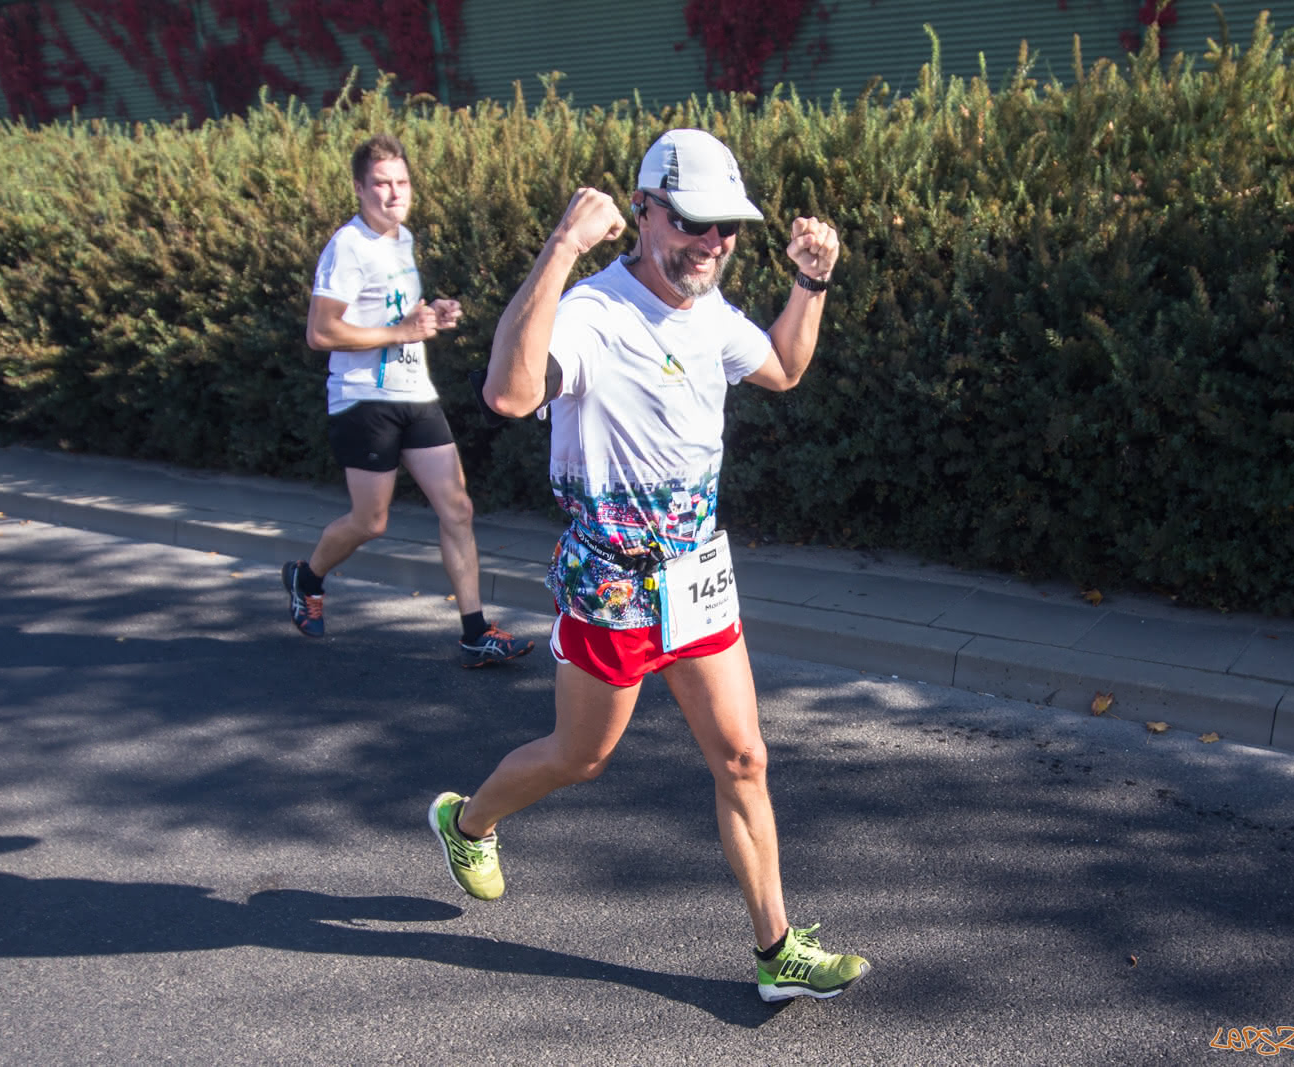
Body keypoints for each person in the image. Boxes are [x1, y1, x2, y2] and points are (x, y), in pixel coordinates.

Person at [428, 130, 868, 1001]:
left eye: (728, 230)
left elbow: (780, 366)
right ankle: (467, 819)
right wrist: (559, 249)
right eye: (696, 224)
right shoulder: (594, 312)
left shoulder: (710, 310)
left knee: (744, 758)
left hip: (698, 573)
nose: (712, 244)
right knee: (581, 756)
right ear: (645, 212)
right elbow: (510, 396)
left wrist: (809, 283)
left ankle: (776, 949)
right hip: (614, 581)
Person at [282, 133, 532, 669]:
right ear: (358, 188)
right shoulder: (347, 246)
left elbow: (394, 313)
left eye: (402, 183)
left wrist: (430, 317)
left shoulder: (403, 239)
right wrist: (400, 331)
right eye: (381, 184)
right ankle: (306, 578)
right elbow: (321, 333)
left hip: (415, 392)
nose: (394, 194)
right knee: (371, 521)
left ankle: (474, 632)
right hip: (362, 398)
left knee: (458, 507)